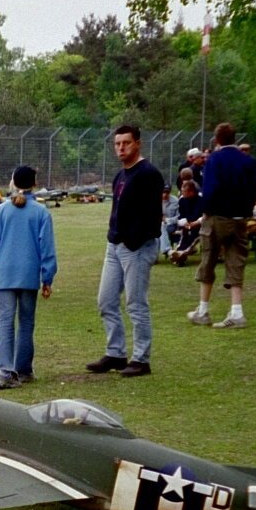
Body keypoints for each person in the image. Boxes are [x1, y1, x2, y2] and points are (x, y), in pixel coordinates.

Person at [88, 125, 164, 378]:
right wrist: (114, 238)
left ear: (138, 143)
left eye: (126, 143)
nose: (121, 148)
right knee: (106, 300)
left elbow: (153, 216)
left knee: (136, 303)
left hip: (136, 248)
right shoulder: (121, 176)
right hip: (115, 245)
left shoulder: (148, 174)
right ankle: (116, 352)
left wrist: (134, 241)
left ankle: (141, 359)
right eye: (117, 144)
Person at [0, 165, 56, 389]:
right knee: (26, 322)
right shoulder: (41, 212)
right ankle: (23, 369)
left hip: (5, 273)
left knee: (5, 320)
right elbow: (47, 249)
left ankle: (3, 370)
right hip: (29, 274)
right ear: (35, 184)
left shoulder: (2, 211)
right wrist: (47, 278)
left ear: (13, 182)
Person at [188, 122, 256, 329]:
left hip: (217, 217)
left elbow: (210, 189)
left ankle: (203, 310)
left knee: (208, 259)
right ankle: (237, 311)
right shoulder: (250, 162)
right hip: (240, 218)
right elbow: (255, 191)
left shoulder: (214, 160)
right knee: (236, 261)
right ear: (234, 138)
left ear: (217, 140)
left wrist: (205, 210)